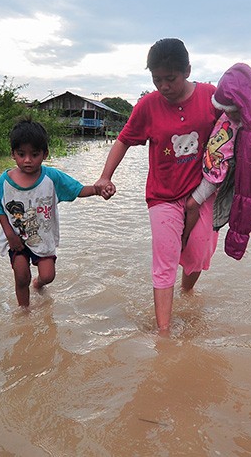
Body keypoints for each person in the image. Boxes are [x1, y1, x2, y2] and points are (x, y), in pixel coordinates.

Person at [94, 38, 221, 333]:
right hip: (163, 197)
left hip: (202, 193)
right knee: (164, 260)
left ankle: (187, 292)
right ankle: (163, 332)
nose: (163, 86)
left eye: (170, 78)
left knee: (197, 254)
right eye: (157, 79)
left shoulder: (210, 97)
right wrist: (105, 176)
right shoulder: (148, 106)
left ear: (187, 70)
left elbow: (231, 131)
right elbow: (124, 139)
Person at [0, 117, 104, 307]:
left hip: (43, 237)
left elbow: (76, 189)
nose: (27, 160)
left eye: (34, 154)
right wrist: (10, 236)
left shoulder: (51, 177)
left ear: (45, 154)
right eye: (21, 154)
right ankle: (24, 312)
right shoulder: (5, 181)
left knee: (48, 276)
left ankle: (38, 283)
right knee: (21, 276)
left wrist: (97, 189)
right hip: (16, 239)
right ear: (13, 154)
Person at [181, 63, 251, 259]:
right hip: (209, 163)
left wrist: (237, 240)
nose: (229, 114)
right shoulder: (229, 113)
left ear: (243, 105)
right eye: (227, 110)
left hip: (216, 175)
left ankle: (184, 238)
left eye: (233, 111)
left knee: (191, 204)